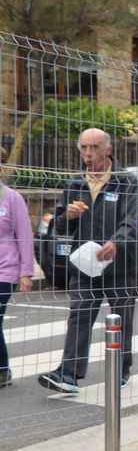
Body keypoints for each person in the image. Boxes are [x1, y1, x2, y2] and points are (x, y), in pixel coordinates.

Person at [38, 129, 138, 395]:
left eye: (94, 147)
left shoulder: (126, 181)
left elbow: (132, 220)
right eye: (83, 147)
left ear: (109, 150)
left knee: (122, 319)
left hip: (119, 266)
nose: (88, 153)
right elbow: (60, 227)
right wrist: (66, 217)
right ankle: (68, 373)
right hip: (85, 267)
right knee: (79, 316)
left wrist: (116, 243)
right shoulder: (75, 182)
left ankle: (122, 367)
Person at [1, 146, 35, 388]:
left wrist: (26, 272)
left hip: (5, 271)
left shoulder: (12, 198)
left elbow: (24, 236)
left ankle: (2, 370)